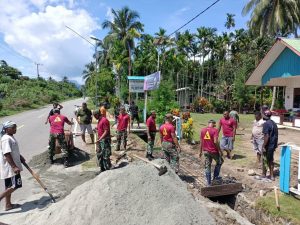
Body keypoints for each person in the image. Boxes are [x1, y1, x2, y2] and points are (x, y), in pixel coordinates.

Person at [0, 121, 25, 211]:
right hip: (10, 167)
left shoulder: (10, 137)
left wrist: (20, 156)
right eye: (13, 127)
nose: (15, 129)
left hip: (11, 166)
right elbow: (6, 154)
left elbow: (13, 150)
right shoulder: (6, 139)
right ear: (7, 129)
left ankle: (8, 205)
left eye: (16, 127)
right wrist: (14, 166)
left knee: (9, 187)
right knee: (15, 185)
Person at [199, 120, 223, 186]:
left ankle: (208, 183)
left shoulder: (203, 130)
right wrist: (220, 151)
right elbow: (215, 141)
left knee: (207, 166)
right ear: (214, 124)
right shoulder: (215, 130)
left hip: (206, 151)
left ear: (208, 123)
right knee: (220, 162)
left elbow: (201, 141)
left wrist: (200, 151)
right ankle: (215, 178)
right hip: (214, 151)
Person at [262, 110, 278, 181]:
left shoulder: (266, 124)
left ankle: (264, 174)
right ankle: (271, 176)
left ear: (265, 115)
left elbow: (267, 136)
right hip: (273, 144)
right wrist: (275, 145)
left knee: (265, 159)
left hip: (268, 145)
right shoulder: (274, 123)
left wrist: (264, 145)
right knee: (270, 160)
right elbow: (276, 135)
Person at [96, 107, 112, 172]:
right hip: (100, 139)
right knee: (99, 154)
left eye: (95, 116)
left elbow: (106, 131)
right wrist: (96, 129)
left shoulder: (104, 120)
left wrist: (100, 139)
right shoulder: (99, 120)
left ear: (97, 114)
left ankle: (108, 168)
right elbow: (100, 128)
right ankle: (102, 168)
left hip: (105, 140)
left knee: (105, 155)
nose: (94, 117)